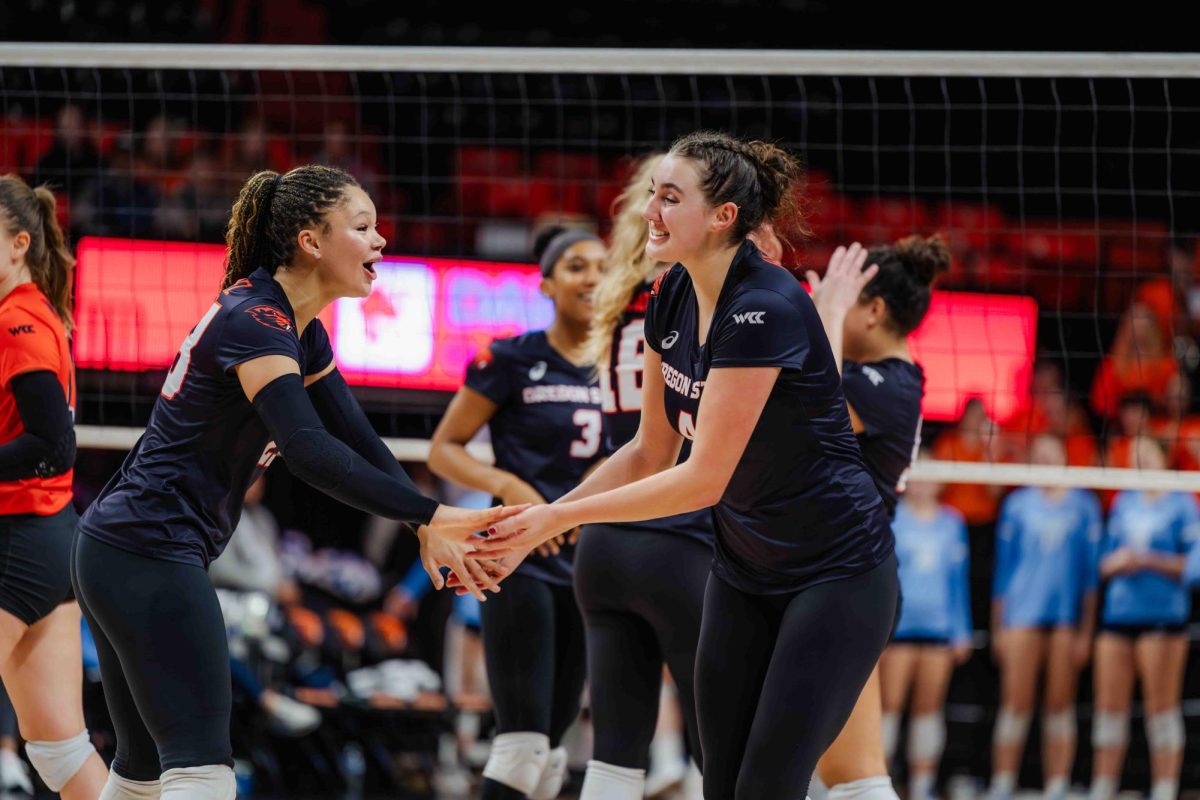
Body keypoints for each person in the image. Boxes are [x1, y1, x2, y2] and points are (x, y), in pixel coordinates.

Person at [70, 165, 522, 800]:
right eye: (363, 227)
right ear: (311, 241)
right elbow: (309, 451)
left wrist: (425, 522)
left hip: (125, 548)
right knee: (202, 770)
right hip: (147, 551)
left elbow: (355, 437)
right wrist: (430, 511)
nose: (381, 241)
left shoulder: (297, 328)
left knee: (142, 774)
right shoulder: (257, 321)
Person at [475, 131, 898, 800]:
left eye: (670, 198)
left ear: (723, 217)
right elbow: (649, 451)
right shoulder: (671, 293)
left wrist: (556, 518)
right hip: (742, 571)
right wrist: (538, 518)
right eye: (652, 194)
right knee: (721, 784)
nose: (649, 211)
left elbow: (705, 477)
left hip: (836, 574)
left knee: (767, 786)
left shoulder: (765, 306)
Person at [426, 224, 606, 799]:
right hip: (519, 557)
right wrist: (509, 483)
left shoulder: (627, 363)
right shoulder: (510, 357)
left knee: (555, 751)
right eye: (577, 266)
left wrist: (575, 511)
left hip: (588, 562)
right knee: (523, 743)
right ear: (548, 284)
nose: (594, 278)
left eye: (603, 266)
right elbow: (443, 448)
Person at [567, 152, 715, 800]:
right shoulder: (706, 302)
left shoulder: (614, 306)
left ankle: (662, 763)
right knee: (728, 755)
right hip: (682, 537)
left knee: (611, 759)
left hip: (604, 536)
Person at [803, 234, 948, 800]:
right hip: (817, 573)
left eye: (846, 296)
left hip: (850, 578)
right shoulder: (864, 375)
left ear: (874, 309)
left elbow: (808, 408)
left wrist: (826, 319)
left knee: (855, 778)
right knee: (814, 767)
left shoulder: (893, 385)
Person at [0, 175, 108, 799]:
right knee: (59, 749)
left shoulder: (20, 324)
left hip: (22, 538)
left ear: (18, 244)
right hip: (44, 540)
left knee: (56, 748)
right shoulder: (25, 313)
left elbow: (51, 448)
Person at [988, 435, 1101, 800]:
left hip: (1066, 619)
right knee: (1015, 703)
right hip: (1021, 615)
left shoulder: (1084, 504)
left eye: (1051, 451)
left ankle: (1057, 785)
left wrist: (1086, 630)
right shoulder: (1018, 504)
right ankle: (1003, 783)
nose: (1045, 456)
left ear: (1065, 456)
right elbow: (1003, 572)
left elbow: (1090, 577)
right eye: (1039, 452)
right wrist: (998, 627)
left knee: (1059, 705)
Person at [1089, 436, 1197, 800]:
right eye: (1134, 455)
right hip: (1119, 616)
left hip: (1162, 617)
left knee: (1161, 708)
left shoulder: (1183, 501)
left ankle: (1164, 790)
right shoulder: (1124, 501)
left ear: (1163, 458)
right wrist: (1119, 562)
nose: (1139, 461)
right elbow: (1102, 563)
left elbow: (1193, 568)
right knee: (1109, 709)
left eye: (1146, 453)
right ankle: (1103, 788)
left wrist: (1149, 560)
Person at [878, 464, 972, 800]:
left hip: (938, 630)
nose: (922, 482)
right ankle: (880, 785)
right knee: (890, 708)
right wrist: (881, 631)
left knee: (928, 710)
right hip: (899, 630)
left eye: (929, 474)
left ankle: (922, 787)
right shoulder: (894, 518)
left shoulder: (952, 523)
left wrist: (961, 631)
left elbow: (958, 583)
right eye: (917, 474)